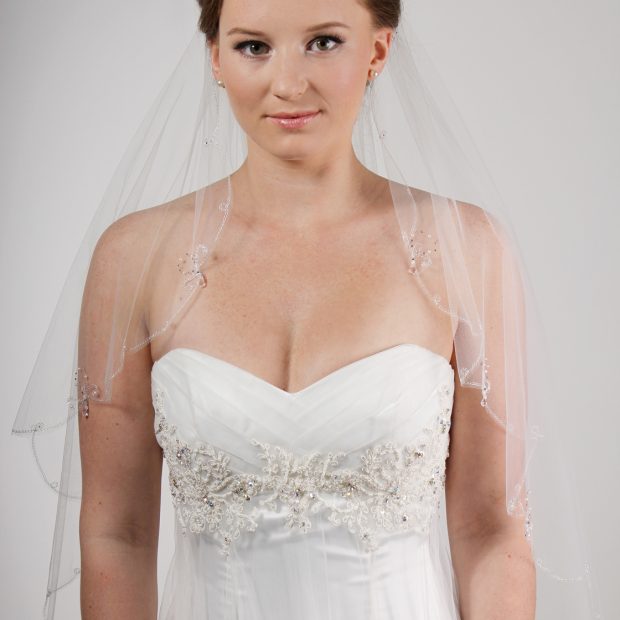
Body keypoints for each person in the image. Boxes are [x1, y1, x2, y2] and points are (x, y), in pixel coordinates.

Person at [12, 0, 601, 618]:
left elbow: (492, 532)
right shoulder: (134, 258)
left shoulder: (466, 249)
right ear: (215, 57)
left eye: (323, 42)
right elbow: (118, 535)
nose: (288, 83)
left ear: (377, 50)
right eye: (254, 47)